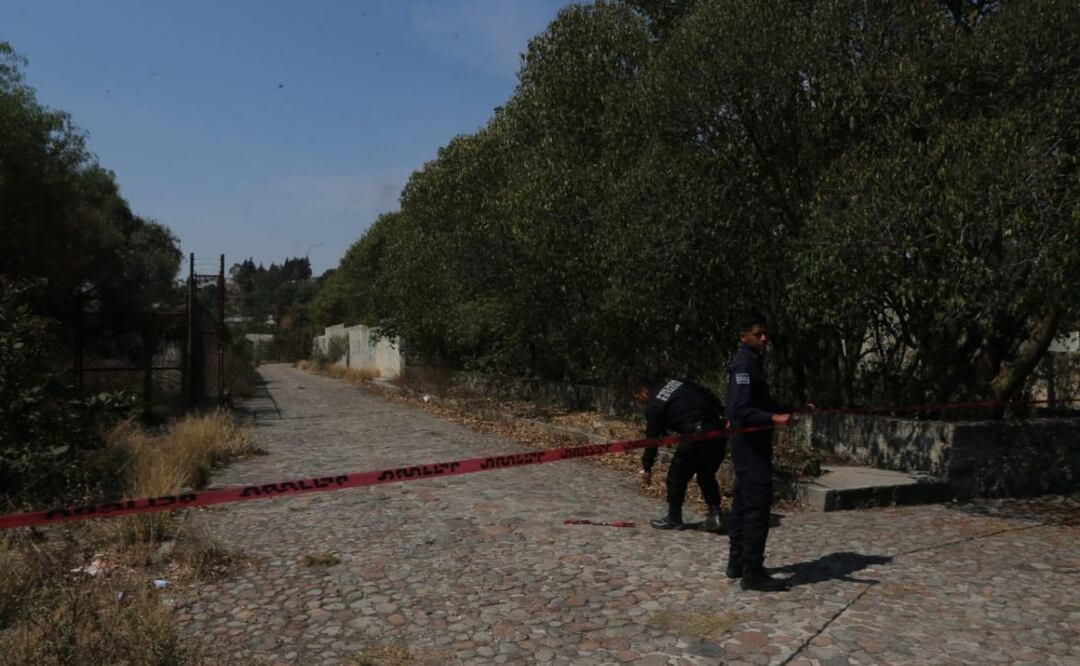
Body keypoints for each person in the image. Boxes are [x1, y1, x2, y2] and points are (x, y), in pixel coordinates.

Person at [726, 313, 794, 592]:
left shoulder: (753, 362)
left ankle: (737, 562)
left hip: (751, 445)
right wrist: (773, 419)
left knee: (742, 502)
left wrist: (790, 407)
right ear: (745, 337)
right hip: (750, 445)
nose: (764, 338)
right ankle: (752, 571)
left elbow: (762, 401)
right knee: (756, 507)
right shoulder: (743, 365)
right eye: (758, 334)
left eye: (765, 333)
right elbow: (740, 409)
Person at [633, 378, 727, 533]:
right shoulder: (678, 382)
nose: (641, 403)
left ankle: (674, 518)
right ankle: (716, 514)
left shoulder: (655, 405)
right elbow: (706, 391)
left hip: (695, 434)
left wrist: (647, 467)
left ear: (644, 390)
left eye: (639, 398)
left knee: (676, 477)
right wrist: (722, 412)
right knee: (706, 474)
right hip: (717, 430)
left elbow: (652, 439)